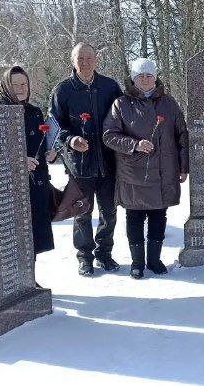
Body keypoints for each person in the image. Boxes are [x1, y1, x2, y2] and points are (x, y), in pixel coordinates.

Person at [103, 58, 189, 279]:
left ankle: (154, 259)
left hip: (163, 170)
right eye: (141, 76)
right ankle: (137, 262)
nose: (145, 79)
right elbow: (109, 136)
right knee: (135, 216)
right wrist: (134, 145)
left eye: (149, 75)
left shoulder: (169, 103)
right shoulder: (121, 104)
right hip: (133, 172)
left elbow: (182, 135)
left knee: (159, 215)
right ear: (133, 78)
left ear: (155, 77)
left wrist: (183, 166)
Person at [49, 42, 123, 276]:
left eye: (89, 58)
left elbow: (122, 119)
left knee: (109, 212)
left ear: (96, 59)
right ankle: (84, 257)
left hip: (108, 162)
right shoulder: (63, 91)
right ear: (73, 61)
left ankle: (104, 253)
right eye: (80, 59)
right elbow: (55, 127)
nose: (85, 63)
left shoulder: (110, 87)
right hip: (79, 165)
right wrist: (71, 140)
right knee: (82, 212)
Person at [0, 66, 56, 274]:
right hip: (8, 187)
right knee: (13, 236)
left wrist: (51, 152)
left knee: (33, 235)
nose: (21, 88)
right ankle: (12, 280)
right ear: (6, 86)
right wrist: (18, 161)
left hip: (35, 183)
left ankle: (29, 278)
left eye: (24, 84)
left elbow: (41, 143)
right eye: (15, 84)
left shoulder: (34, 111)